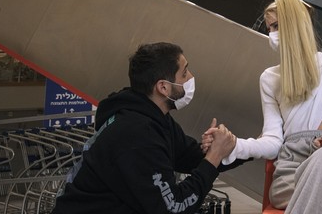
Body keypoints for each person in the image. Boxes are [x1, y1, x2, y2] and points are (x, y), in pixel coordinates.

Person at [206, 0, 322, 214]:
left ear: (294, 25)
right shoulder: (269, 78)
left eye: (275, 26)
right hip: (291, 168)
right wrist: (235, 145)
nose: (271, 34)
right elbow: (273, 141)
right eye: (269, 28)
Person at [52, 42, 238, 214]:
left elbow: (190, 156)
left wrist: (250, 146)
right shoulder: (137, 134)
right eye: (184, 73)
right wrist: (213, 158)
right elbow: (174, 207)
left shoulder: (154, 118)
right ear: (163, 87)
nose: (191, 78)